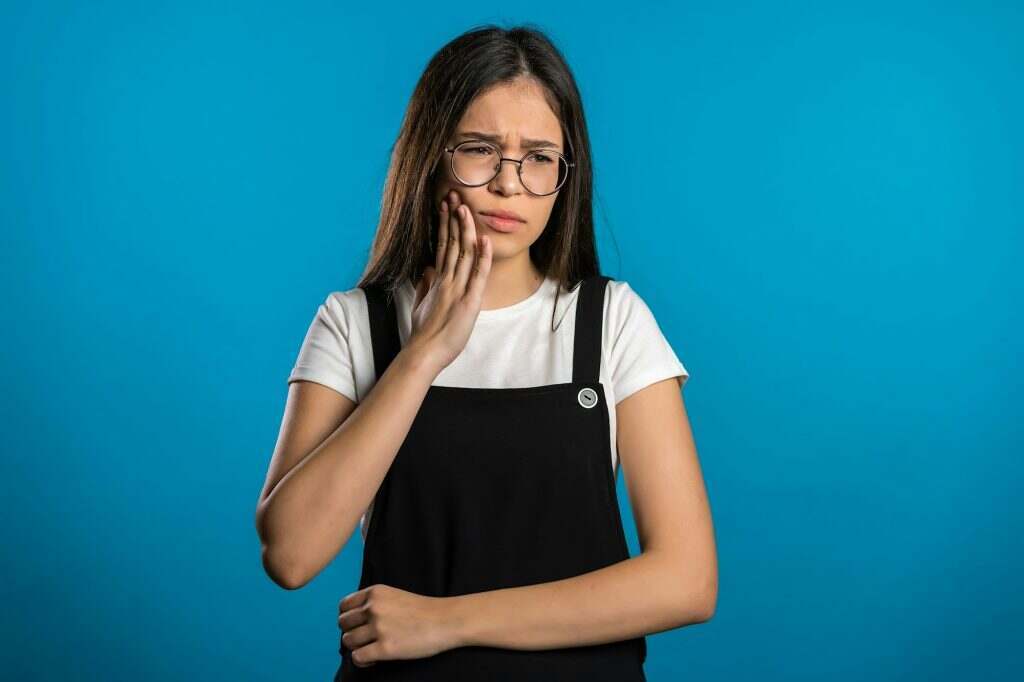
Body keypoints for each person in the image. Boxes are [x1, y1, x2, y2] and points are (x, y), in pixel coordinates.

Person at [255, 24, 717, 681]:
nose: (509, 184)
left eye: (539, 157)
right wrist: (423, 354)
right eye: (480, 150)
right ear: (430, 155)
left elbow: (687, 580)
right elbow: (290, 554)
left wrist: (448, 622)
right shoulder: (355, 323)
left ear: (566, 175)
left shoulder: (612, 322)